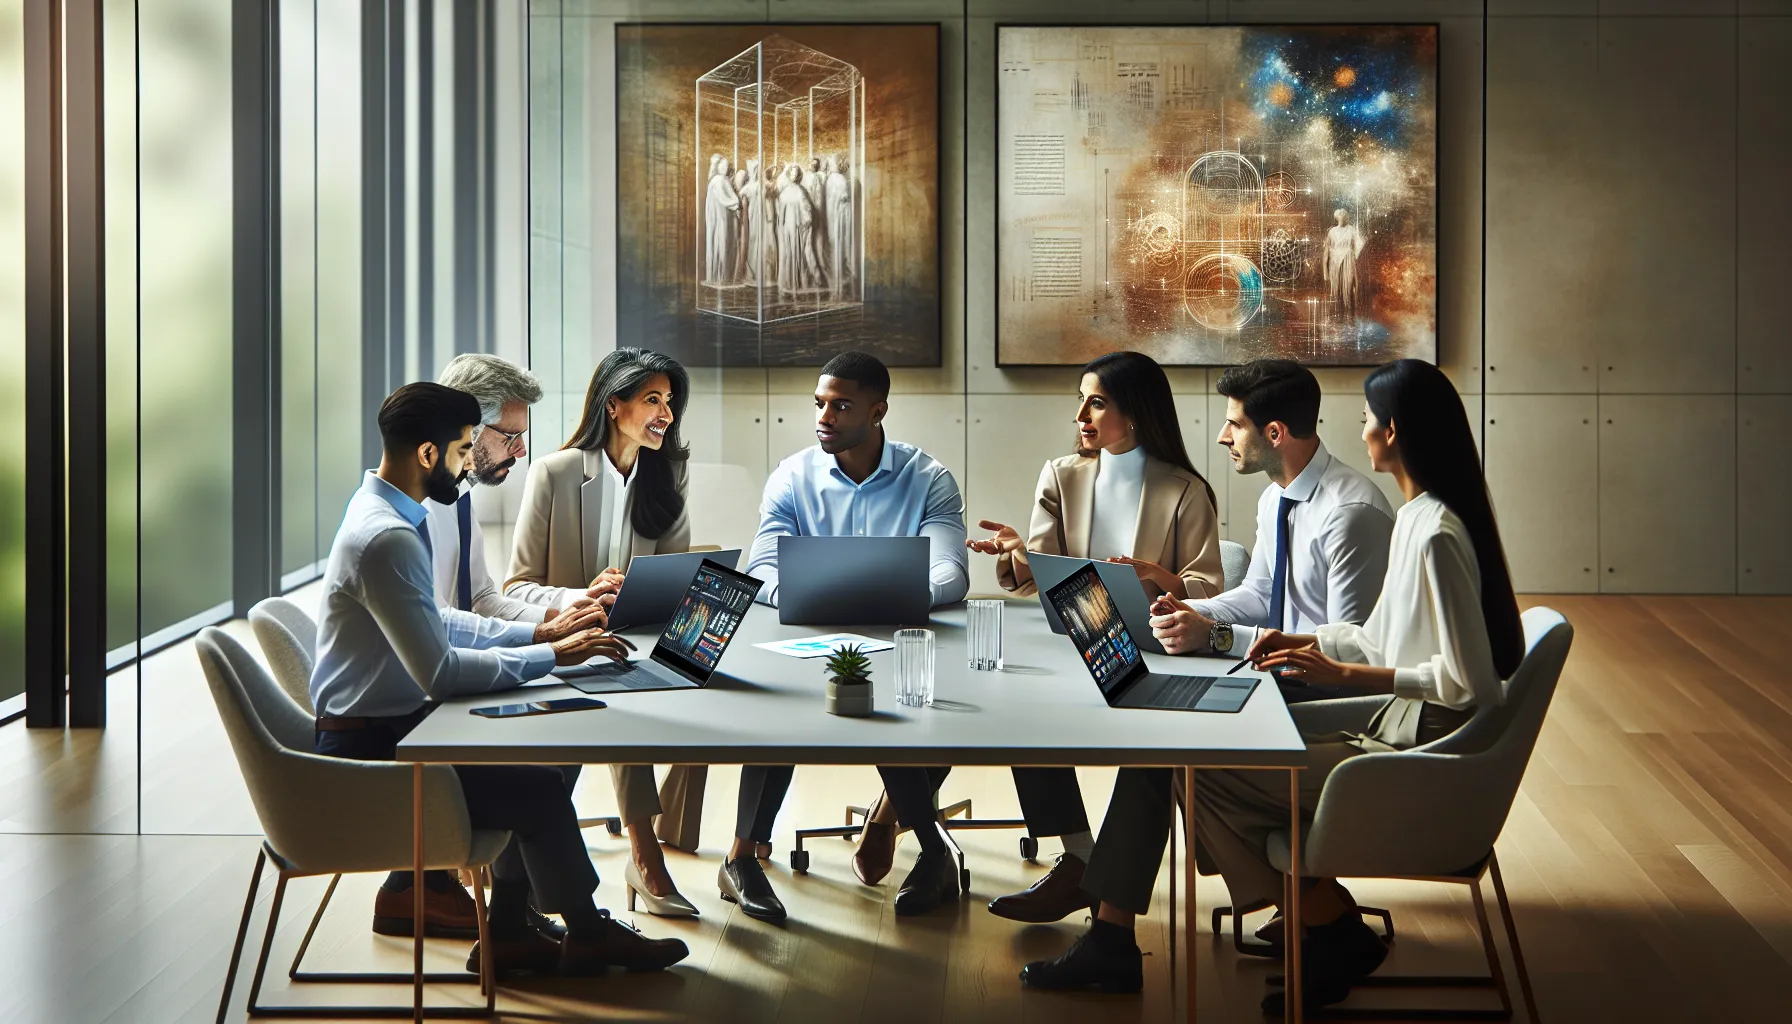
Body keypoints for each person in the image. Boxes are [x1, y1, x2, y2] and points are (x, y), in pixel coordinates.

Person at [1021, 360, 1524, 1015]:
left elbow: (1456, 678)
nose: (1225, 437)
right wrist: (1202, 616)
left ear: (1392, 432)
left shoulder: (1380, 520)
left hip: (1386, 721)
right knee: (1170, 739)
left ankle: (1317, 917)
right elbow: (1333, 622)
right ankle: (1315, 917)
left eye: (1370, 419)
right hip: (1350, 693)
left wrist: (1325, 665)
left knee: (1181, 757)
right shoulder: (1393, 514)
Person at [309, 382, 688, 978]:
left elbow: (444, 619)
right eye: (464, 450)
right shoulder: (388, 539)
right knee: (536, 786)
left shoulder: (384, 517)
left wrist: (540, 637)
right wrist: (553, 658)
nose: (467, 466)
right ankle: (576, 932)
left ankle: (517, 929)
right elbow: (439, 672)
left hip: (393, 728)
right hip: (378, 752)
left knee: (544, 759)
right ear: (430, 454)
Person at [867, 351, 1223, 921]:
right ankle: (1078, 855)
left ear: (1135, 413)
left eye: (1097, 401)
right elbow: (1040, 579)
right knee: (1014, 708)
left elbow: (1210, 589)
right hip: (1070, 644)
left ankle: (1079, 865)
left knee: (1038, 709)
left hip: (1150, 651)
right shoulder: (1062, 474)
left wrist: (1164, 579)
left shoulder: (1184, 490)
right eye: (1080, 399)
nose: (1081, 413)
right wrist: (1019, 555)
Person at [736, 350, 971, 923]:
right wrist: (804, 595)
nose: (825, 416)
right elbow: (762, 568)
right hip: (808, 635)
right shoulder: (792, 477)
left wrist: (899, 594)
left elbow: (951, 573)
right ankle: (742, 858)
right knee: (774, 713)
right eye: (820, 404)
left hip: (900, 637)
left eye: (841, 406)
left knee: (897, 703)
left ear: (878, 409)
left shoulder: (928, 478)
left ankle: (926, 848)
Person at [504, 348, 706, 918]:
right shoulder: (554, 473)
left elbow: (673, 580)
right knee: (622, 691)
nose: (665, 413)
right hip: (565, 643)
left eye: (669, 402)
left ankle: (666, 842)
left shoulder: (668, 472)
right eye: (651, 400)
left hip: (634, 639)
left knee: (699, 674)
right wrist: (581, 598)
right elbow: (515, 589)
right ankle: (645, 856)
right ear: (613, 405)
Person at [1149, 359, 1395, 707]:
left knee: (1173, 714)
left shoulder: (1350, 514)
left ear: (1275, 433)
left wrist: (1218, 636)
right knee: (1163, 700)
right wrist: (1187, 611)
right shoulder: (1274, 498)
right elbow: (1260, 595)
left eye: (1234, 424)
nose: (1223, 436)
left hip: (1325, 697)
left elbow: (1349, 650)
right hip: (1276, 678)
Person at [1324, 208, 1365, 316]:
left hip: (1347, 259)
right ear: (1336, 217)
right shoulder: (1332, 231)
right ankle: (1339, 311)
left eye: (1343, 215)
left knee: (1348, 285)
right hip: (1335, 261)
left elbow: (1359, 244)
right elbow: (1327, 250)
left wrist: (1354, 257)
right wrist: (1325, 270)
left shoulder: (1351, 229)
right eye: (1340, 215)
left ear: (1346, 217)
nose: (1342, 217)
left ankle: (1349, 309)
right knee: (1336, 288)